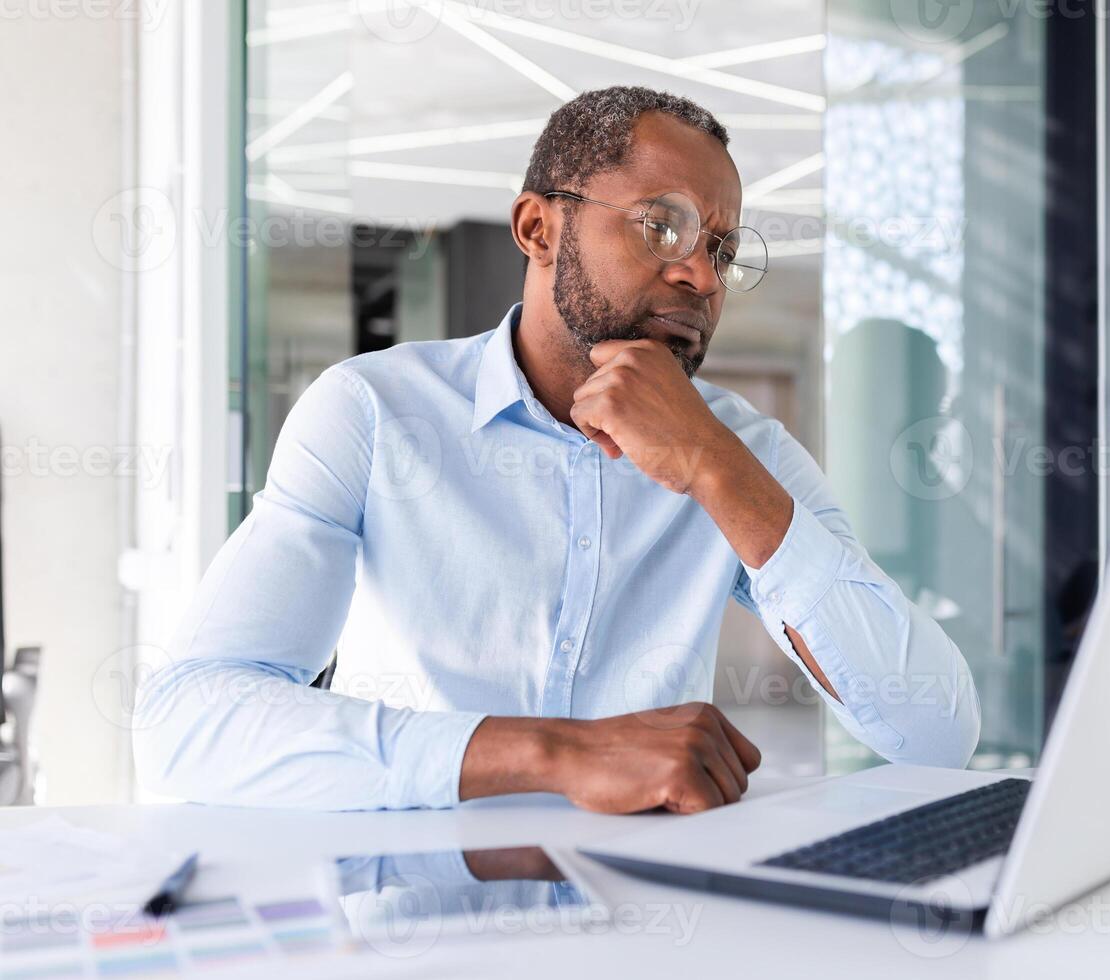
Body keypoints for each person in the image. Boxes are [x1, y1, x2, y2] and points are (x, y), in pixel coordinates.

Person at [134, 86, 981, 813]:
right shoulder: (374, 413)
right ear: (539, 228)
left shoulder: (744, 450)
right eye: (663, 228)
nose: (703, 277)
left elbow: (936, 731)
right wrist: (552, 752)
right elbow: (190, 721)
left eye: (720, 250)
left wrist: (716, 469)